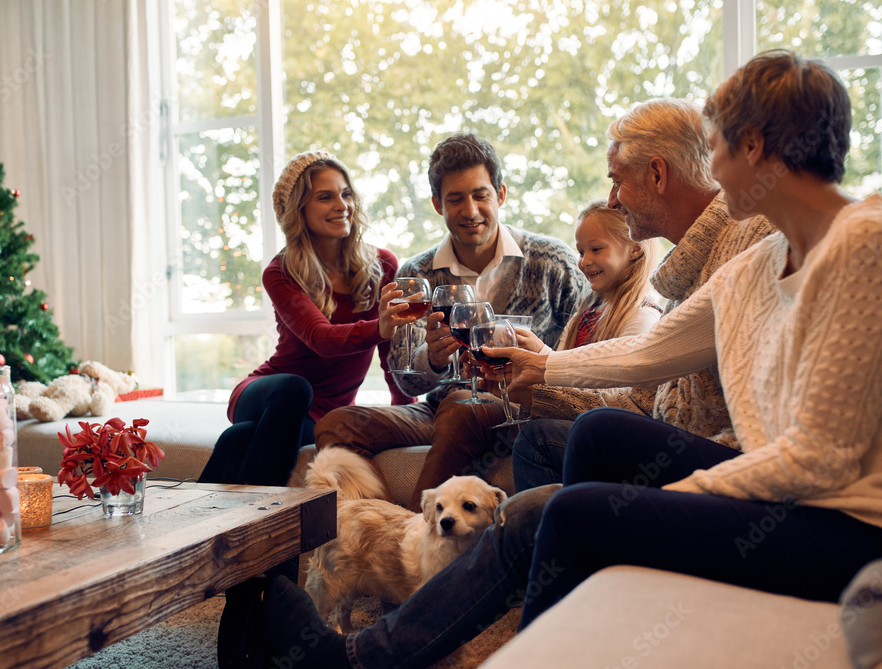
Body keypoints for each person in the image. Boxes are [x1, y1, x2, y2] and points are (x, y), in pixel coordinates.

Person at [263, 50, 882, 669]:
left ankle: (364, 661)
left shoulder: (863, 243)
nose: (712, 170)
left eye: (716, 147)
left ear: (752, 146)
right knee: (597, 433)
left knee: (566, 511)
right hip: (786, 492)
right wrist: (544, 366)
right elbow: (652, 350)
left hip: (844, 527)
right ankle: (580, 636)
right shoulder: (755, 263)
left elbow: (819, 459)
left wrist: (672, 498)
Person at [512, 96, 776, 492]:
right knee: (541, 440)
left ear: (657, 174)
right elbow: (642, 402)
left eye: (617, 181)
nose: (614, 200)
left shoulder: (752, 239)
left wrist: (545, 366)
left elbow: (653, 352)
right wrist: (540, 391)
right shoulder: (687, 272)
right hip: (680, 450)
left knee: (587, 442)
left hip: (731, 463)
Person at [314, 133, 588, 508]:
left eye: (480, 195)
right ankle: (380, 518)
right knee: (335, 424)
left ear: (501, 195)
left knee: (464, 403)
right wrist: (434, 359)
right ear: (437, 205)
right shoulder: (418, 273)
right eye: (455, 199)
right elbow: (405, 378)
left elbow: (585, 351)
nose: (470, 210)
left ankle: (412, 532)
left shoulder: (551, 261)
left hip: (520, 408)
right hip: (440, 408)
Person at [412, 199, 662, 499]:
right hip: (562, 415)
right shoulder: (589, 308)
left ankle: (425, 522)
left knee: (483, 414)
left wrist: (543, 356)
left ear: (635, 247)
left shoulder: (642, 316)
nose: (583, 261)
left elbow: (617, 400)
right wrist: (514, 372)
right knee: (463, 402)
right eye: (581, 251)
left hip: (589, 423)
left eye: (596, 249)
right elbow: (560, 373)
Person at [198, 150, 416, 489]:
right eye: (325, 197)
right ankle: (267, 515)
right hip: (267, 394)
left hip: (324, 414)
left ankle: (204, 511)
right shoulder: (281, 272)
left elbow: (391, 352)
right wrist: (379, 326)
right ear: (299, 210)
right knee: (294, 388)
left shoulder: (382, 265)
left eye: (345, 194)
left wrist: (405, 411)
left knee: (240, 438)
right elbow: (320, 338)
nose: (342, 205)